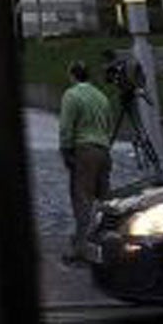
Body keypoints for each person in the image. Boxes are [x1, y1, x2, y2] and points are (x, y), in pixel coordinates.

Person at [58, 59, 114, 265]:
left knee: (82, 199)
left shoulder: (71, 95)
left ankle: (81, 250)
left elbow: (66, 127)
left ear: (72, 75)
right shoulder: (101, 96)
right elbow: (108, 122)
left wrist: (66, 152)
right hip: (103, 150)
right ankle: (108, 243)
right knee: (104, 200)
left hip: (85, 151)